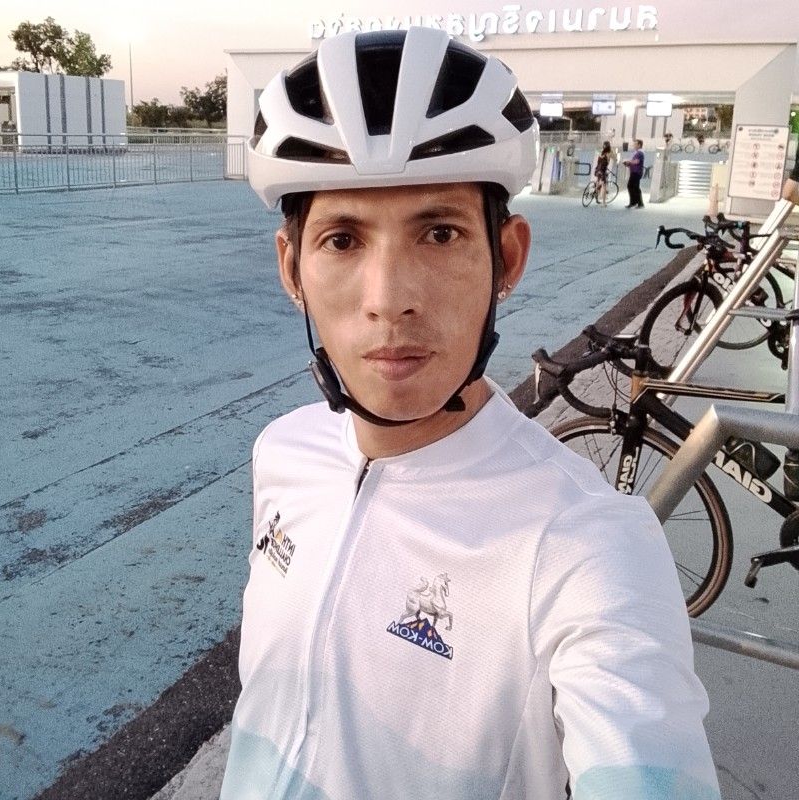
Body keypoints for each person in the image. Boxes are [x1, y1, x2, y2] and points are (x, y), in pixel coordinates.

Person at [221, 28, 720, 800]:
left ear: (507, 259)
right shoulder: (283, 450)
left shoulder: (587, 547)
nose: (390, 300)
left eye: (440, 233)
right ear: (293, 270)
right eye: (343, 240)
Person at [623, 138, 645, 208]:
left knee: (632, 186)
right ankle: (635, 202)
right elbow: (634, 162)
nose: (634, 145)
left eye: (635, 144)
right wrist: (628, 164)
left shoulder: (640, 153)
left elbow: (637, 161)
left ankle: (638, 203)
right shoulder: (636, 153)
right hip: (634, 171)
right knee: (634, 187)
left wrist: (629, 162)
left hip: (636, 172)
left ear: (639, 145)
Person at [594, 140, 613, 206]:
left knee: (598, 182)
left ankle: (596, 196)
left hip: (597, 169)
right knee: (604, 186)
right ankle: (604, 203)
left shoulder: (601, 152)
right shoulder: (609, 153)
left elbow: (600, 162)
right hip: (602, 170)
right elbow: (611, 160)